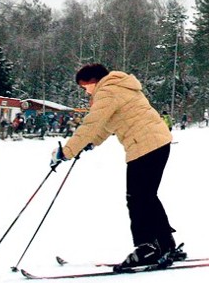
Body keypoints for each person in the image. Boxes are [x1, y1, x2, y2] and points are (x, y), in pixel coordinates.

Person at [49, 63, 179, 270]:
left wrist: (67, 151)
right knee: (147, 196)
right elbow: (107, 123)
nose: (86, 91)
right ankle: (165, 244)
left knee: (137, 198)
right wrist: (90, 143)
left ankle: (147, 248)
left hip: (144, 145)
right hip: (156, 142)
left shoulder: (107, 91)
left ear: (92, 81)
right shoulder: (121, 86)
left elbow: (92, 123)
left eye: (84, 87)